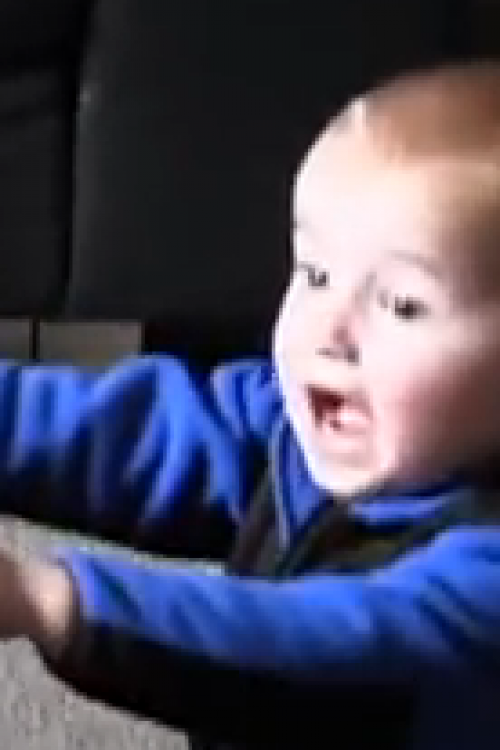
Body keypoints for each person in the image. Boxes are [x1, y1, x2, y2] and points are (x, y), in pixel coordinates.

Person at [1, 59, 500, 750]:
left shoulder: (484, 574)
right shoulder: (299, 425)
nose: (327, 330)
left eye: (402, 305)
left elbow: (318, 646)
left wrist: (44, 598)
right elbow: (131, 434)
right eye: (315, 274)